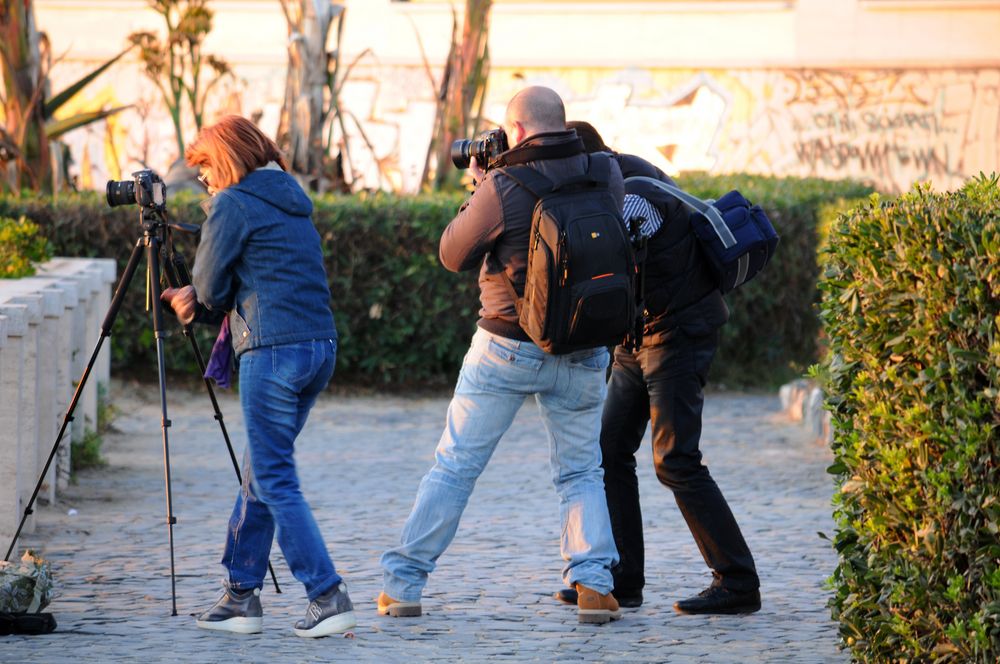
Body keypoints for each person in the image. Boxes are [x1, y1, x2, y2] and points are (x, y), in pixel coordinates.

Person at [378, 87, 624, 625]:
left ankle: (402, 587)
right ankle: (594, 585)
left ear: (514, 131)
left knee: (455, 466)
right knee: (582, 470)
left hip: (506, 347)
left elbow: (452, 253)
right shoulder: (604, 171)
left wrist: (481, 186)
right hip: (584, 344)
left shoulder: (504, 184)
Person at [552, 121, 761, 614]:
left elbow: (598, 261)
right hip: (641, 335)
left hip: (678, 333)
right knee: (610, 449)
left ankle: (737, 581)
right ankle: (624, 580)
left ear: (585, 162)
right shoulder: (612, 183)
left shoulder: (630, 196)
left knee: (675, 459)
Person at [160, 115, 355, 638]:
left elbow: (209, 288)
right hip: (318, 348)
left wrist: (188, 302)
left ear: (223, 161)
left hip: (272, 352)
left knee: (273, 478)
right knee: (261, 472)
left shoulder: (232, 204)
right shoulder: (289, 199)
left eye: (205, 171)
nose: (204, 182)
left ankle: (326, 593)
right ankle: (240, 594)